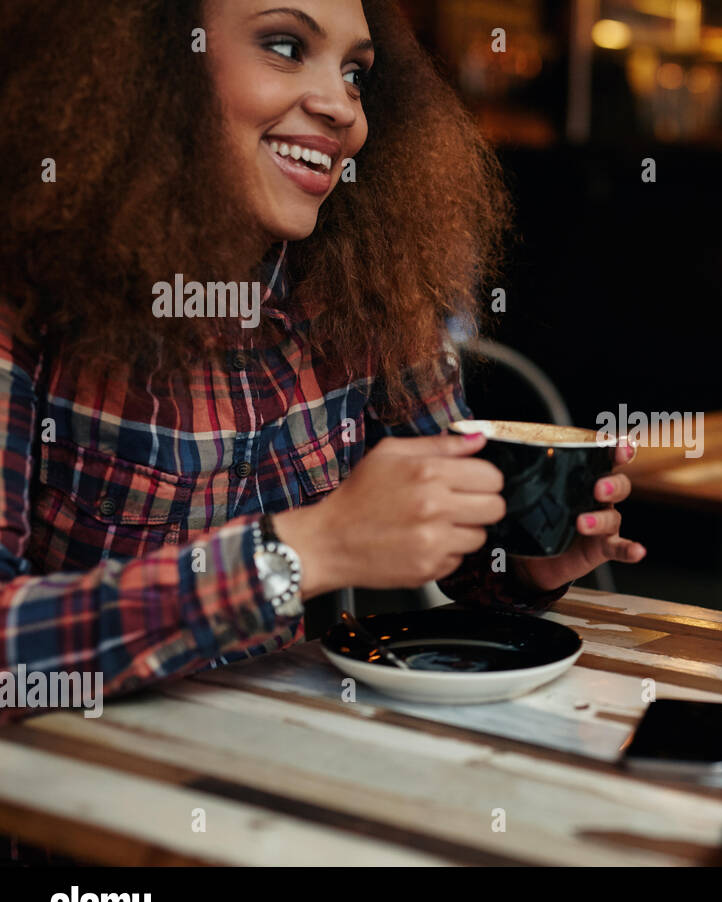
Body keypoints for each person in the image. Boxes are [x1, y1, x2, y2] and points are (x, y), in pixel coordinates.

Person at [0, 0, 646, 724]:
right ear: (148, 64)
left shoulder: (368, 282)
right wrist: (305, 551)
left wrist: (525, 563)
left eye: (356, 74)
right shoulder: (27, 292)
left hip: (286, 775)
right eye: (283, 45)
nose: (341, 108)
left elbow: (462, 546)